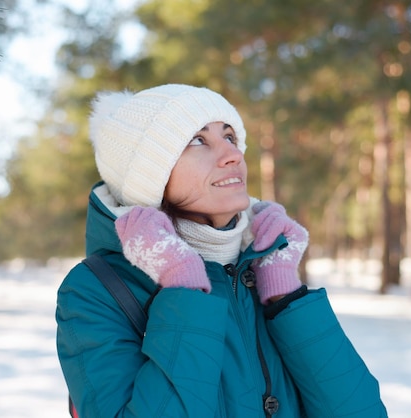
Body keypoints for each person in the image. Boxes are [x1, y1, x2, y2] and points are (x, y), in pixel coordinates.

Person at [56, 84, 387, 418]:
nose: (234, 155)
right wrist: (182, 285)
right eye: (198, 140)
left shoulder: (261, 266)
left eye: (229, 137)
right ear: (147, 177)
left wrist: (285, 296)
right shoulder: (96, 290)